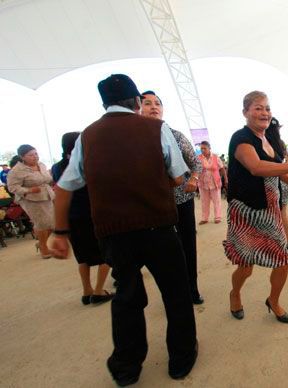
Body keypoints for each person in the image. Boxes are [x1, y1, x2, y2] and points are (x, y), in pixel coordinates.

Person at [50, 74, 197, 385]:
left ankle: (127, 367)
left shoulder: (87, 136)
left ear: (104, 103)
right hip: (158, 228)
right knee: (176, 292)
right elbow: (177, 177)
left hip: (114, 233)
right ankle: (180, 359)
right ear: (135, 102)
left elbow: (64, 188)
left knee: (127, 297)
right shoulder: (156, 128)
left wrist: (61, 233)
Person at [224, 91, 288, 324]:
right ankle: (235, 294)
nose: (264, 112)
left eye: (267, 108)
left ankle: (273, 301)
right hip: (246, 212)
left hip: (270, 210)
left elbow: (276, 167)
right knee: (246, 266)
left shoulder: (268, 139)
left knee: (282, 260)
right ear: (245, 112)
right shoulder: (241, 138)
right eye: (258, 108)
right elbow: (257, 167)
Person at [140, 90, 204, 305]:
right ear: (137, 108)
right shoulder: (135, 139)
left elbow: (196, 163)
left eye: (157, 103)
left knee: (188, 246)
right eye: (147, 103)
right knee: (163, 252)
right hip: (153, 206)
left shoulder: (175, 135)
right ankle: (174, 294)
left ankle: (192, 289)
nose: (153, 107)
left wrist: (194, 179)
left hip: (181, 202)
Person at [51, 132, 113, 305]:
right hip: (92, 215)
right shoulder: (86, 163)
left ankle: (87, 291)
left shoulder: (56, 167)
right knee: (105, 254)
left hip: (71, 217)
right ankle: (99, 291)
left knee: (83, 256)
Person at [7, 144, 55, 258]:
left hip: (46, 196)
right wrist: (29, 190)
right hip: (30, 199)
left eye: (36, 153)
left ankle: (41, 243)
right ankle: (44, 249)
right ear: (22, 157)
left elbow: (47, 179)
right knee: (42, 223)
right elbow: (12, 187)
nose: (35, 156)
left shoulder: (42, 165)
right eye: (31, 155)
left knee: (52, 223)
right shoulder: (16, 170)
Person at [266, 117, 288, 252]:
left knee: (271, 215)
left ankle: (274, 244)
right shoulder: (281, 143)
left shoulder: (263, 143)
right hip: (284, 180)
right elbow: (284, 158)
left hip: (271, 181)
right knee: (283, 212)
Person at [197, 140, 226, 224]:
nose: (202, 150)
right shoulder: (198, 158)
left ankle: (217, 217)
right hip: (203, 183)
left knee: (216, 201)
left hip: (215, 183)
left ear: (209, 148)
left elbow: (222, 168)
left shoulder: (216, 157)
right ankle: (204, 218)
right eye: (201, 148)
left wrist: (226, 179)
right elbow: (195, 169)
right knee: (204, 202)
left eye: (204, 148)